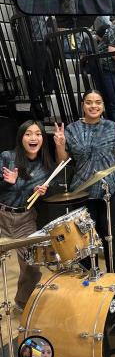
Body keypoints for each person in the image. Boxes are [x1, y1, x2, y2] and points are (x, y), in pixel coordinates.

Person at [54, 90, 115, 272]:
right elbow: (62, 162)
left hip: (110, 190)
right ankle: (87, 277)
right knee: (84, 239)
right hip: (82, 191)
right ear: (83, 105)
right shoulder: (72, 129)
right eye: (89, 102)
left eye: (98, 102)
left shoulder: (111, 126)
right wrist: (59, 145)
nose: (93, 106)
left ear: (103, 106)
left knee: (113, 235)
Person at [0, 120, 52, 312]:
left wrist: (44, 191)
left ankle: (22, 302)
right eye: (28, 133)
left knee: (32, 266)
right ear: (21, 137)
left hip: (26, 219)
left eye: (38, 134)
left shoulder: (45, 167)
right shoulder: (7, 157)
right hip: (2, 215)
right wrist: (8, 183)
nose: (33, 137)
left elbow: (47, 194)